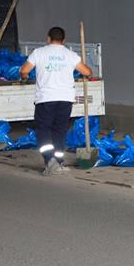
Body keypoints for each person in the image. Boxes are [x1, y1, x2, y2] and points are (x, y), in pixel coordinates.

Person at [20, 26, 93, 175]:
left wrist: (24, 78)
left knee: (43, 129)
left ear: (48, 38)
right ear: (64, 41)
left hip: (46, 98)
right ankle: (58, 162)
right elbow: (88, 72)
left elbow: (24, 70)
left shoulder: (38, 53)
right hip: (65, 99)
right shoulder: (70, 55)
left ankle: (50, 160)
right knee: (60, 130)